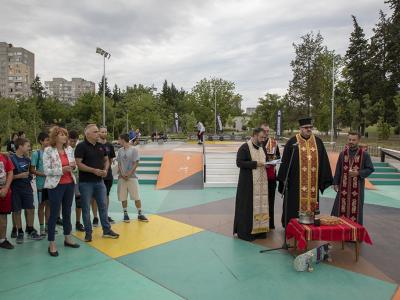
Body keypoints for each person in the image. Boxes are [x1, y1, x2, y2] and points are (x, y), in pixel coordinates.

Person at [277, 117, 333, 227]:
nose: (309, 129)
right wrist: (284, 180)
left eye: (310, 127)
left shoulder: (318, 142)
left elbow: (324, 161)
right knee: (293, 205)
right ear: (300, 128)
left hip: (312, 184)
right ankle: (291, 226)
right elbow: (285, 162)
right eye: (306, 127)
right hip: (295, 184)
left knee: (312, 207)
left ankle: (309, 226)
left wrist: (324, 178)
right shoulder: (293, 142)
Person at [75, 124, 119, 242]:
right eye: (95, 132)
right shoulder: (81, 146)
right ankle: (88, 233)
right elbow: (78, 164)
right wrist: (93, 170)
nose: (98, 134)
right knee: (86, 208)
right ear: (87, 134)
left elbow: (106, 160)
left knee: (103, 206)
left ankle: (106, 230)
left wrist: (105, 170)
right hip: (86, 183)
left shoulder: (101, 146)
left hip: (100, 182)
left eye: (98, 132)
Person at [43, 126, 80, 257]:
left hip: (69, 184)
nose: (65, 136)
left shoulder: (69, 149)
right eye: (61, 134)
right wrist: (62, 170)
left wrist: (73, 167)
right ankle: (51, 242)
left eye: (65, 134)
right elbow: (46, 170)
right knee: (54, 214)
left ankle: (67, 238)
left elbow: (73, 165)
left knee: (67, 212)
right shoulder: (48, 150)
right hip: (56, 185)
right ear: (55, 137)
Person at [331, 132, 374, 224]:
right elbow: (338, 169)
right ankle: (339, 232)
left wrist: (358, 173)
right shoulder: (342, 154)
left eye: (353, 140)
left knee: (356, 211)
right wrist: (335, 183)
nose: (351, 141)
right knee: (339, 210)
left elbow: (370, 169)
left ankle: (354, 234)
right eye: (349, 139)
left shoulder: (364, 155)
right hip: (343, 188)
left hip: (357, 190)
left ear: (358, 140)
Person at [234, 128, 269, 241]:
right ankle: (246, 232)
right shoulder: (244, 147)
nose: (263, 140)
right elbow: (239, 163)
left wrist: (268, 164)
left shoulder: (262, 147)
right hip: (248, 184)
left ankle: (260, 231)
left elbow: (265, 160)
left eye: (264, 138)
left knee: (260, 207)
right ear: (254, 135)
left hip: (261, 184)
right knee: (247, 207)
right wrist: (255, 164)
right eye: (261, 137)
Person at [10, 137, 42, 243]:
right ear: (20, 146)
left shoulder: (28, 160)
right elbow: (7, 177)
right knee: (17, 211)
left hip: (27, 188)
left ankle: (30, 229)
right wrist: (19, 176)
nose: (29, 148)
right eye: (27, 146)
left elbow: (31, 172)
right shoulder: (11, 159)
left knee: (30, 209)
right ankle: (20, 232)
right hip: (15, 189)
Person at [117, 134, 148, 223]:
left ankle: (140, 213)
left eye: (119, 139)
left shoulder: (134, 150)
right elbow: (119, 163)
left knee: (136, 196)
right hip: (121, 177)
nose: (118, 141)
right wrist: (122, 173)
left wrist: (129, 173)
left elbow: (136, 163)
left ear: (123, 140)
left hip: (132, 177)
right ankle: (125, 214)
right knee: (123, 197)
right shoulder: (120, 150)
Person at [260, 124, 281, 229]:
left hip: (271, 177)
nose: (266, 132)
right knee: (259, 201)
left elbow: (278, 157)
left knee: (270, 201)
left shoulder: (273, 143)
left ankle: (270, 223)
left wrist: (274, 160)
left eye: (268, 131)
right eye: (264, 130)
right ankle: (259, 223)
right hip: (258, 177)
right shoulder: (256, 142)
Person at [31, 132, 50, 237]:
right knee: (41, 206)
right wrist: (43, 174)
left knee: (49, 205)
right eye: (46, 140)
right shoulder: (36, 154)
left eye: (49, 140)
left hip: (50, 184)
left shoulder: (52, 152)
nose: (48, 142)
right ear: (41, 141)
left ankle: (48, 226)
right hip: (40, 184)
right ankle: (41, 227)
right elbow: (32, 169)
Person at [97, 126, 116, 224]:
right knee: (95, 197)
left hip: (108, 175)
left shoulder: (110, 145)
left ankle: (105, 215)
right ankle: (96, 217)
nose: (104, 133)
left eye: (105, 132)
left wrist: (106, 169)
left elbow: (111, 159)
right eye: (102, 132)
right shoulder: (95, 145)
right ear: (98, 133)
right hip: (97, 174)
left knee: (106, 195)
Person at [68, 130, 84, 232]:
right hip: (67, 178)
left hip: (78, 178)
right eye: (71, 141)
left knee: (79, 201)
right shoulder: (65, 149)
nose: (73, 143)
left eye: (75, 141)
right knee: (67, 202)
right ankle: (65, 221)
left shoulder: (80, 148)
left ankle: (78, 222)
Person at [0, 138, 15, 249]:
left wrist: (6, 188)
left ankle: (2, 239)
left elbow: (10, 172)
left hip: (4, 191)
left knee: (3, 217)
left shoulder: (4, 157)